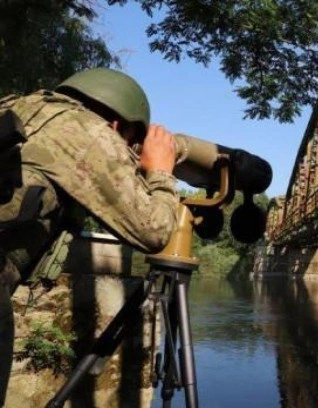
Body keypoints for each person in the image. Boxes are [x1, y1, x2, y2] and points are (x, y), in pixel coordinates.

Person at [0, 68, 179, 406]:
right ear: (117, 125)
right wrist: (160, 172)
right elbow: (154, 230)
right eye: (130, 142)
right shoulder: (92, 133)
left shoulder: (20, 107)